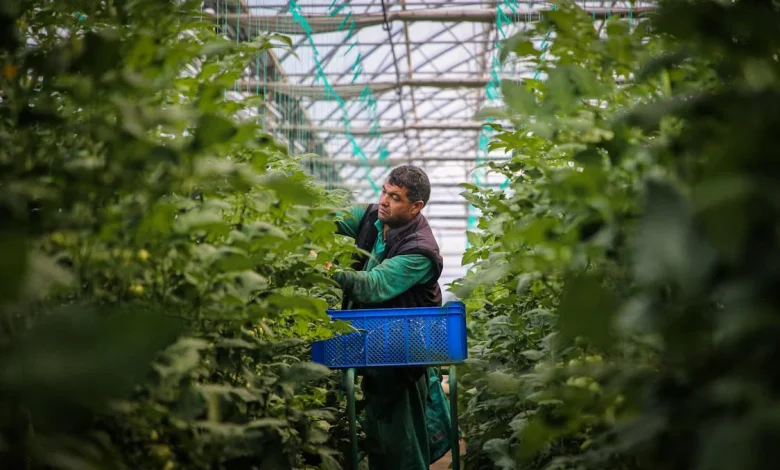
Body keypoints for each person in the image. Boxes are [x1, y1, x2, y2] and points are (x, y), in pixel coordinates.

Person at [332, 165, 444, 470]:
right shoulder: (370, 216)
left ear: (416, 206)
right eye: (384, 191)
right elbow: (323, 216)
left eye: (394, 197)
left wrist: (327, 269)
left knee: (403, 449)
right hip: (370, 347)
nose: (384, 200)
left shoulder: (420, 251)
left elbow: (373, 286)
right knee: (377, 443)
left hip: (402, 357)